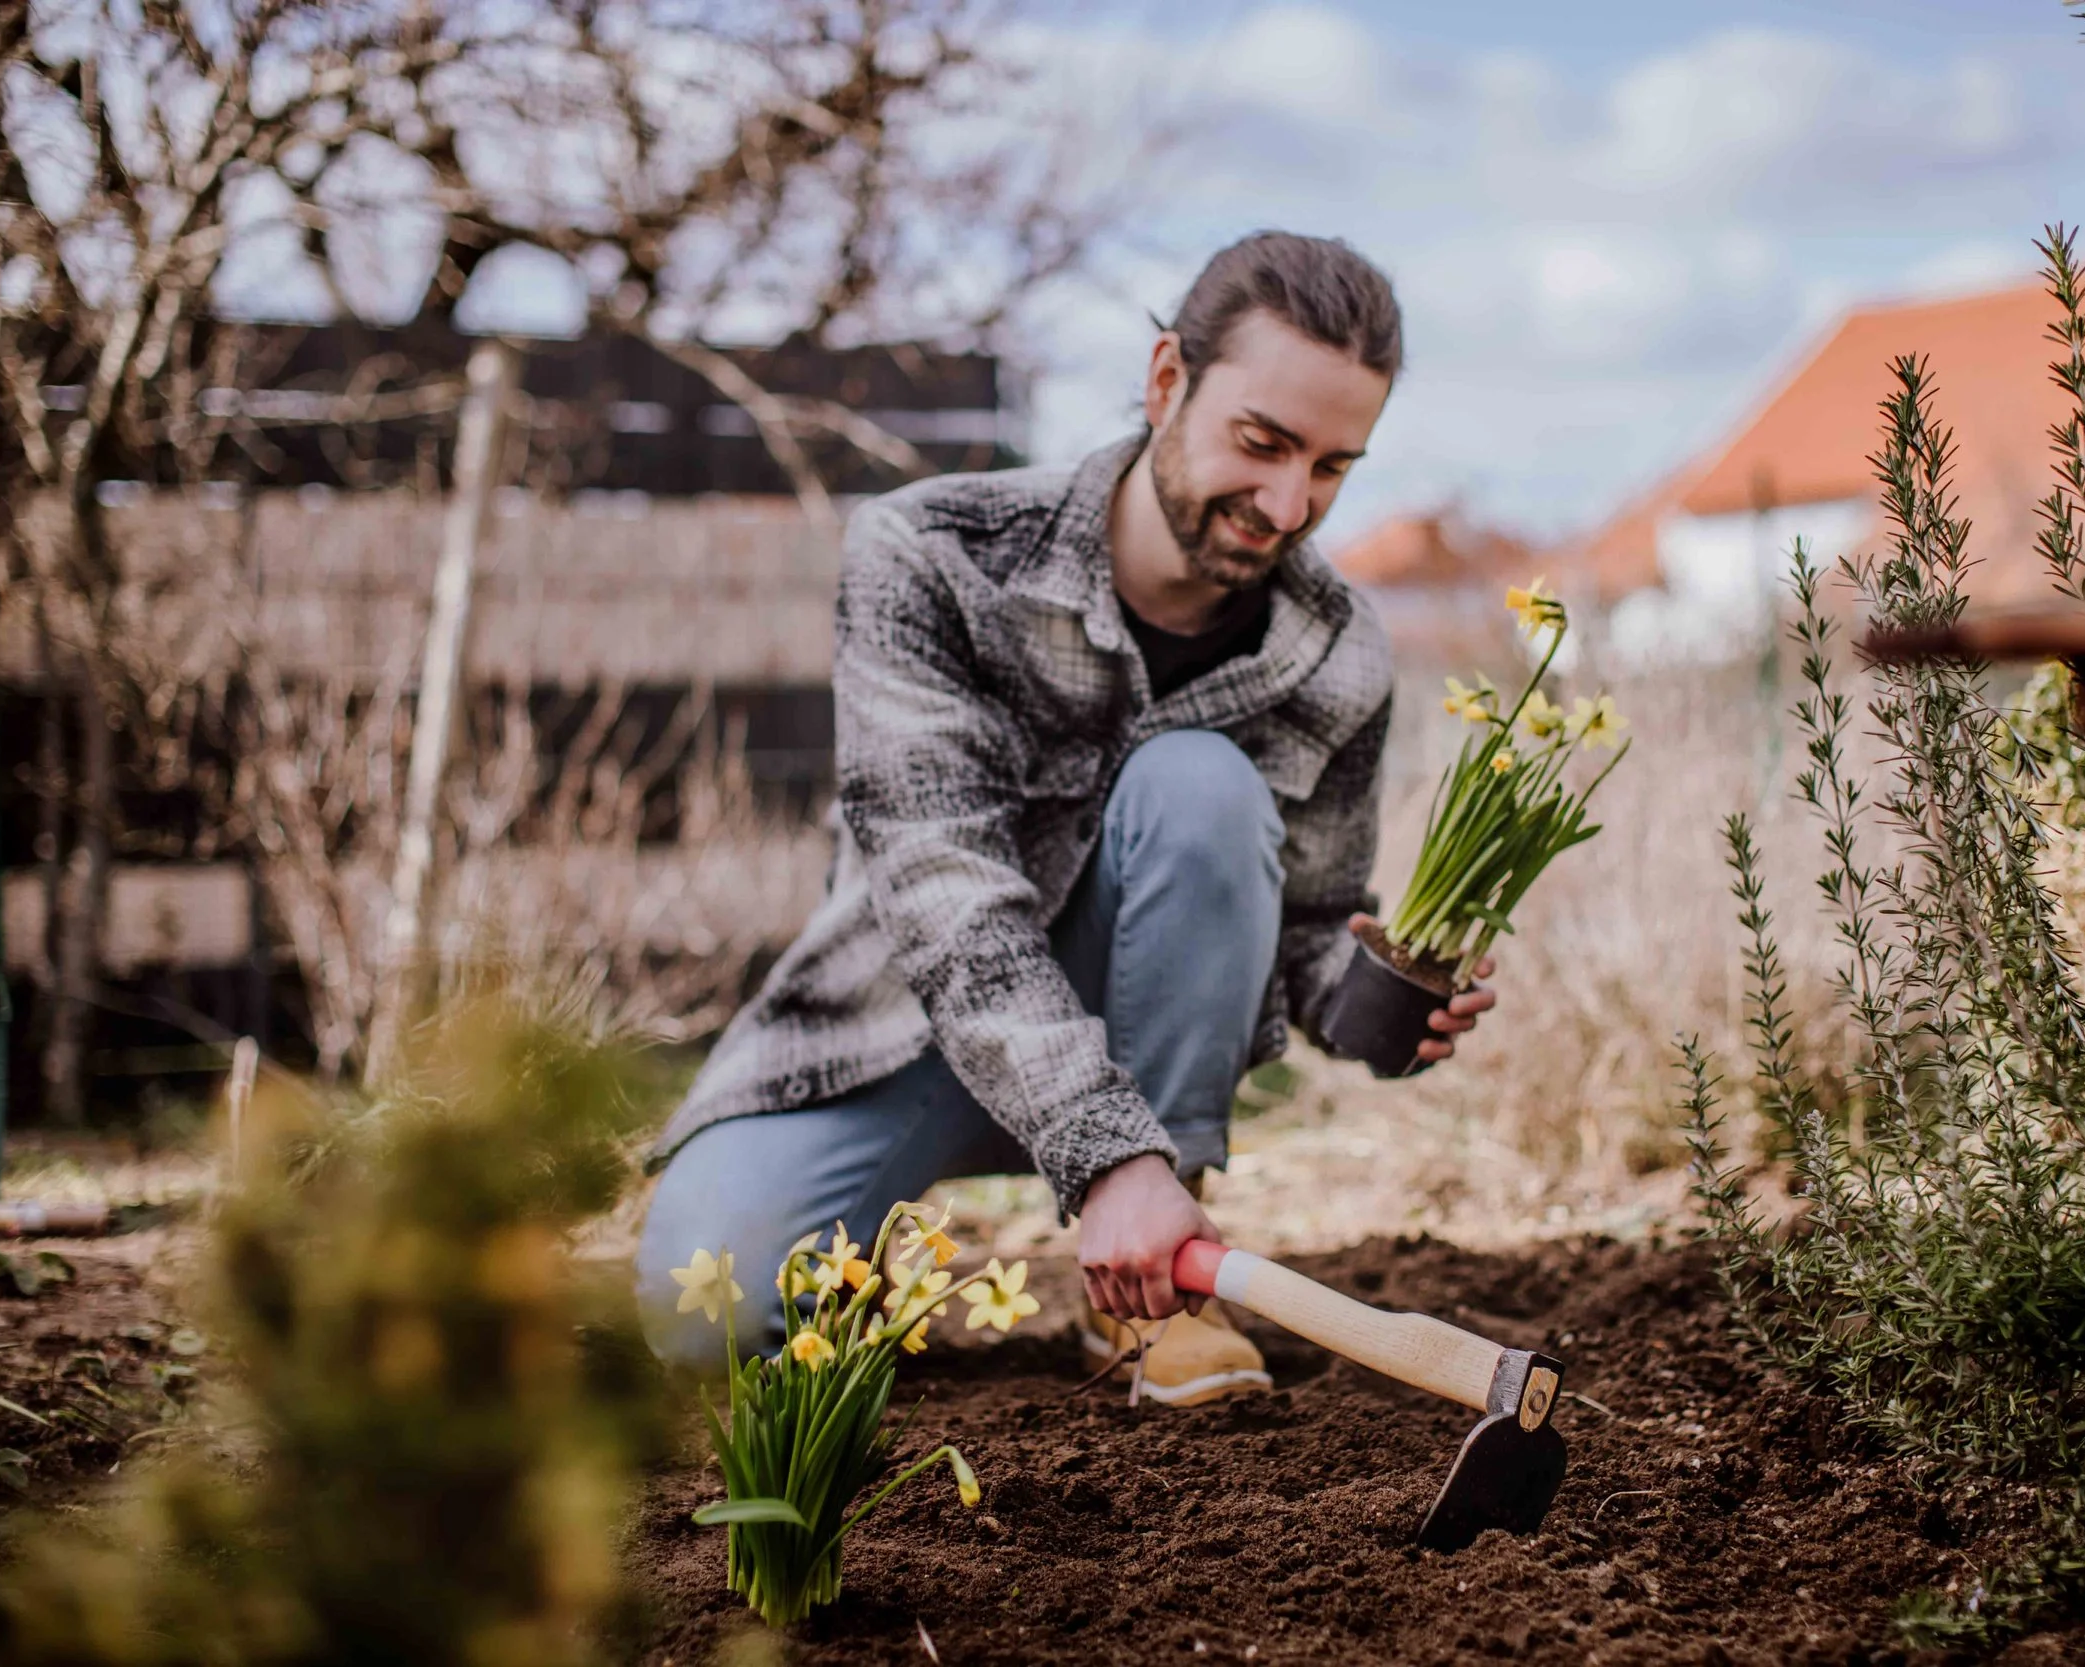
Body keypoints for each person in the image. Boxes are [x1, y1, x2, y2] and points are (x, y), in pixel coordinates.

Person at [635, 230, 1498, 1401]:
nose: (1290, 503)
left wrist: (1383, 1003)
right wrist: (1107, 1155)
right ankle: (1039, 1218)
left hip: (1152, 1061)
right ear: (1164, 382)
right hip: (901, 1026)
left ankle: (1148, 1292)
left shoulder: (1336, 649)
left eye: (1335, 466)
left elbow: (1307, 925)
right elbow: (943, 892)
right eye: (1263, 442)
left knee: (1199, 784)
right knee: (709, 1312)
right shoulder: (933, 556)